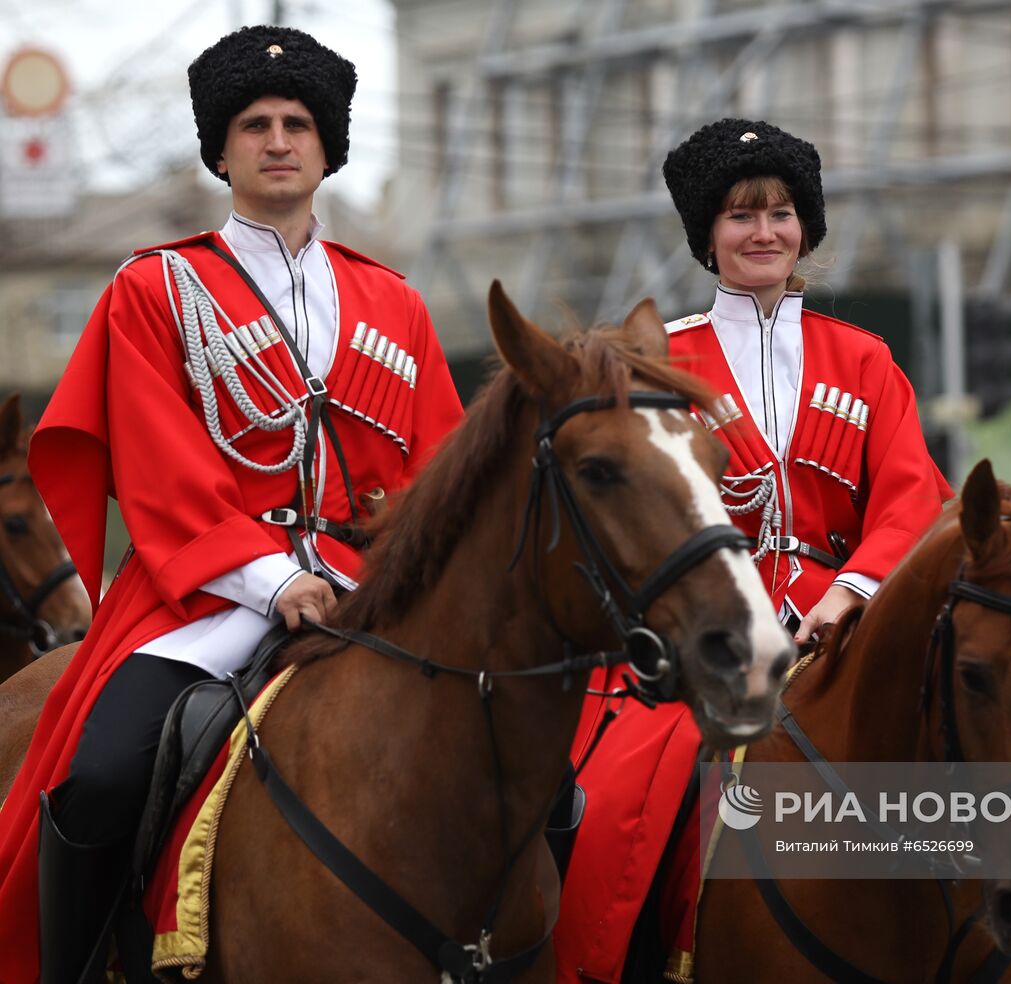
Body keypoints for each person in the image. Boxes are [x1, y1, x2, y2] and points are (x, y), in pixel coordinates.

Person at [0, 25, 462, 984]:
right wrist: (273, 580)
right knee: (101, 779)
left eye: (299, 123)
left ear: (329, 148)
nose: (279, 140)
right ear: (222, 150)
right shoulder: (155, 288)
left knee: (540, 779)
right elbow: (163, 475)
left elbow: (441, 480)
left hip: (377, 590)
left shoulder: (397, 305)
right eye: (255, 124)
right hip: (202, 597)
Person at [553, 118, 951, 983]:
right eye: (739, 217)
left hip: (844, 626)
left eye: (778, 213)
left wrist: (849, 590)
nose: (762, 233)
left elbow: (914, 495)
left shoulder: (867, 358)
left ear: (804, 226)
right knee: (614, 800)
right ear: (708, 237)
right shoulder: (659, 361)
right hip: (693, 633)